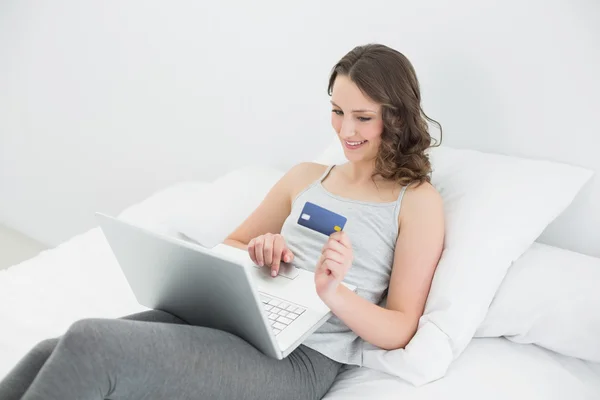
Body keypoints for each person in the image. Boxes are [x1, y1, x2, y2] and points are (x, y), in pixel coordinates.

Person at [0, 43, 445, 400]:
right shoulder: (307, 177)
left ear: (397, 116)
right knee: (49, 351)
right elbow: (232, 244)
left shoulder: (415, 202)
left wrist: (334, 293)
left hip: (298, 357)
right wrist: (259, 252)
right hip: (242, 314)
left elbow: (402, 326)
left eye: (362, 118)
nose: (345, 130)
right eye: (337, 111)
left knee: (90, 345)